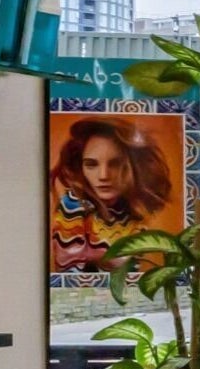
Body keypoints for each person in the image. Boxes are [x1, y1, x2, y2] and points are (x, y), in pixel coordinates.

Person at [49, 117, 177, 276]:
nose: (103, 176)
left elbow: (131, 274)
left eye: (115, 164)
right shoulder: (73, 206)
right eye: (91, 164)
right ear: (80, 167)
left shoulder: (134, 211)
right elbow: (68, 278)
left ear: (133, 166)